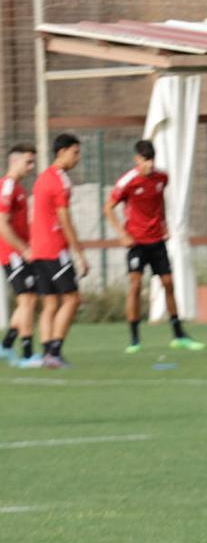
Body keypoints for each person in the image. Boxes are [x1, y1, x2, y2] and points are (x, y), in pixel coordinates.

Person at [104, 139, 204, 354]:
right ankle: (134, 339)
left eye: (151, 160)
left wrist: (163, 223)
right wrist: (122, 234)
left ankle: (178, 335)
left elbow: (158, 201)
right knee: (135, 286)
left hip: (157, 240)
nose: (148, 165)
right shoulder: (127, 182)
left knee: (168, 283)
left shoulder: (162, 178)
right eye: (144, 160)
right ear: (136, 160)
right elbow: (108, 208)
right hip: (137, 243)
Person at [29, 133, 89, 369]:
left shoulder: (42, 178)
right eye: (75, 152)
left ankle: (46, 354)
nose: (77, 158)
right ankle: (54, 351)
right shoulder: (60, 180)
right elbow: (64, 218)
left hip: (38, 249)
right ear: (62, 151)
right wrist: (79, 252)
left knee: (50, 303)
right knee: (73, 299)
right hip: (55, 249)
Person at [0, 143, 39, 367]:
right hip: (13, 254)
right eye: (28, 162)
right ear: (14, 162)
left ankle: (6, 346)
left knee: (29, 299)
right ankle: (26, 355)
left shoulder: (18, 188)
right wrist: (23, 249)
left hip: (20, 252)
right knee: (27, 300)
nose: (31, 167)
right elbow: (2, 224)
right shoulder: (7, 187)